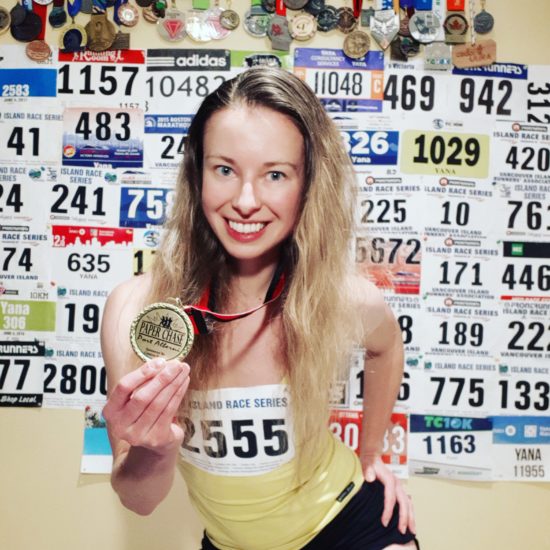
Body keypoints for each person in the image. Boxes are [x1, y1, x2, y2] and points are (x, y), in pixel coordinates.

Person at [101, 67, 418, 550]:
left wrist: (372, 454)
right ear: (197, 173)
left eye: (274, 174)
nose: (245, 201)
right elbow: (137, 500)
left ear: (307, 184)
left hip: (347, 525)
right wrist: (156, 448)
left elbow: (387, 346)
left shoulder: (338, 298)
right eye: (224, 169)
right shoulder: (137, 310)